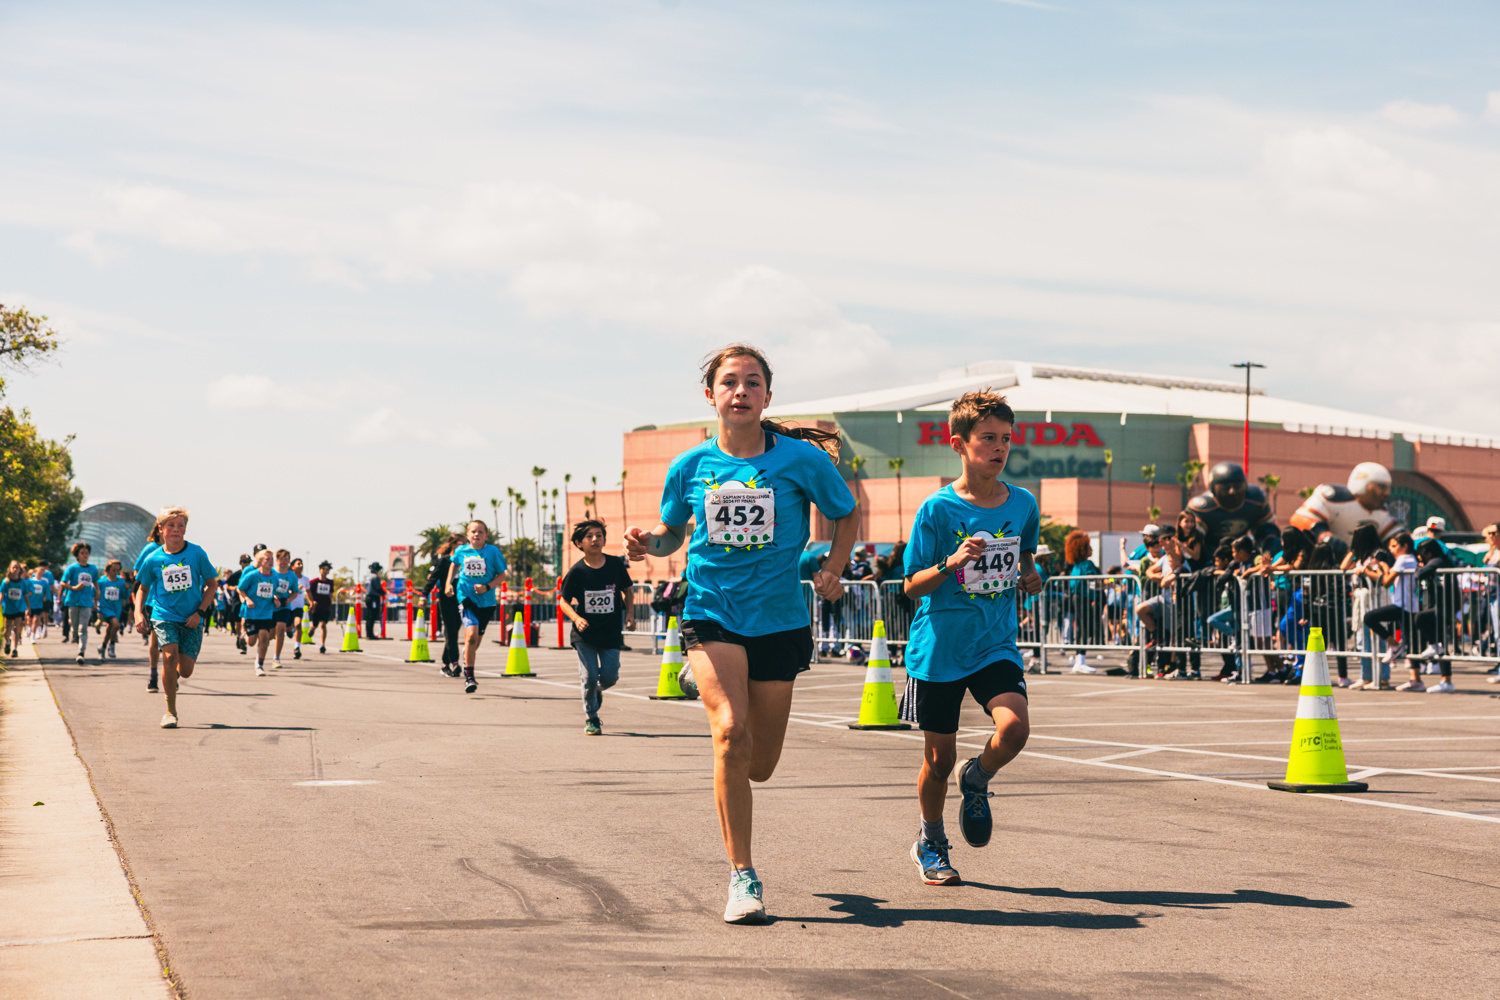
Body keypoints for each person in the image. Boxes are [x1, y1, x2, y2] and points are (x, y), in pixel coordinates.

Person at [624, 343, 858, 925]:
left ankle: (713, 687)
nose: (741, 392)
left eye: (753, 383)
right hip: (712, 611)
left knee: (760, 762)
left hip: (779, 620)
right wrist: (646, 545)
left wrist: (834, 565)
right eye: (730, 382)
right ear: (711, 396)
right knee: (730, 733)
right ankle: (743, 877)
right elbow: (671, 534)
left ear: (767, 398)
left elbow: (846, 513)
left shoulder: (802, 461)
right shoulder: (691, 466)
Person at [899, 389, 1042, 887]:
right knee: (937, 761)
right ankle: (930, 840)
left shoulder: (1023, 503)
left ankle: (977, 776)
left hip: (994, 642)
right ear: (958, 443)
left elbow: (1025, 555)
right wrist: (951, 563)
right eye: (988, 439)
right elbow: (910, 585)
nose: (1000, 448)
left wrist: (1031, 574)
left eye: (1006, 439)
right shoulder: (937, 510)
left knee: (1016, 729)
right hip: (939, 647)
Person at [133, 507, 218, 728]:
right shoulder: (153, 558)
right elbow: (142, 588)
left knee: (186, 670)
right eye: (171, 525)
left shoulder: (196, 553)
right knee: (169, 657)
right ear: (161, 529)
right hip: (164, 614)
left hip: (191, 617)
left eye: (181, 526)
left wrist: (199, 612)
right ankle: (170, 711)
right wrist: (138, 613)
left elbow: (212, 585)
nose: (176, 530)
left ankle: (173, 678)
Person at [558, 519, 634, 735]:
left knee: (609, 678)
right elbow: (563, 601)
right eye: (589, 536)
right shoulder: (577, 571)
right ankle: (592, 717)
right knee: (589, 677)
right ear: (579, 543)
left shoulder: (615, 565)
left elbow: (627, 590)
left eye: (599, 535)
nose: (595, 539)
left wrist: (630, 614)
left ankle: (596, 691)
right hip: (585, 634)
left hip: (610, 632)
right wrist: (575, 618)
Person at [445, 522, 506, 694]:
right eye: (473, 532)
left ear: (486, 535)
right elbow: (454, 564)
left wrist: (487, 587)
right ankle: (470, 677)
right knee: (471, 635)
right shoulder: (461, 551)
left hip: (486, 602)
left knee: (475, 641)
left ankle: (467, 653)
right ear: (468, 535)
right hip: (466, 597)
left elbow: (502, 575)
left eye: (480, 532)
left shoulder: (493, 552)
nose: (476, 534)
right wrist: (449, 584)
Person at [1289, 462, 1401, 547]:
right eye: (1382, 487)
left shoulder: (1381, 512)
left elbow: (1395, 537)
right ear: (1363, 483)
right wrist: (1323, 536)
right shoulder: (1334, 497)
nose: (1387, 493)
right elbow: (1299, 518)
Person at [1186, 462, 1280, 556]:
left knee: (1273, 542)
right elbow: (1190, 540)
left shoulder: (1256, 500)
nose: (1232, 491)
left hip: (1243, 551)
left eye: (1237, 486)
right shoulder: (1202, 508)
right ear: (1213, 488)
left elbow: (1269, 530)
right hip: (1211, 553)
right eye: (1225, 487)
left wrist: (1269, 549)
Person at [1362, 532, 1420, 681]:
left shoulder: (1403, 559)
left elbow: (1386, 582)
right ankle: (1416, 679)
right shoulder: (1410, 559)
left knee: (1369, 617)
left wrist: (1380, 567)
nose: (1392, 550)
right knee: (1411, 644)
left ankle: (1394, 645)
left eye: (1394, 546)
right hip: (1407, 605)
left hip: (1402, 605)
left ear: (1404, 546)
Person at [236, 550, 280, 676]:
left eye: (272, 559)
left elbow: (274, 592)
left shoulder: (275, 576)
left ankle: (259, 664)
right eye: (267, 559)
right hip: (252, 612)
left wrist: (275, 599)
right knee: (252, 641)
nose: (270, 562)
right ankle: (244, 637)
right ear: (260, 562)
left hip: (266, 612)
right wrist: (247, 599)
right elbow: (240, 589)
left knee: (265, 636)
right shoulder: (252, 575)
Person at [1062, 530, 1100, 673]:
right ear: (1083, 549)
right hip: (1082, 598)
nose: (1091, 549)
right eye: (1089, 547)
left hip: (1077, 597)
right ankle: (1080, 660)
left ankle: (1079, 659)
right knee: (1084, 629)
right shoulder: (1087, 564)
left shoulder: (1076, 566)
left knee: (1082, 628)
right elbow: (1092, 581)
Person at [133, 525, 164, 690]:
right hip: (154, 600)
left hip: (175, 602)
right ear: (160, 530)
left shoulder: (181, 549)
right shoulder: (151, 549)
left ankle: (172, 673)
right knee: (155, 638)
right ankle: (153, 675)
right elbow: (137, 571)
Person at [426, 536, 462, 674]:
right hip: (446, 599)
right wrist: (424, 595)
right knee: (451, 631)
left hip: (461, 599)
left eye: (466, 543)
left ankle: (444, 664)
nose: (464, 545)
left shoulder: (467, 561)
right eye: (461, 543)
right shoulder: (445, 561)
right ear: (453, 544)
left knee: (453, 632)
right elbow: (433, 578)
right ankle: (454, 662)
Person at [60, 543, 100, 664]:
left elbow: (95, 582)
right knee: (75, 626)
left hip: (87, 601)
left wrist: (97, 591)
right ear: (77, 555)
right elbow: (63, 583)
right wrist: (73, 587)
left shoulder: (92, 569)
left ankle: (81, 652)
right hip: (73, 600)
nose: (85, 555)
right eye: (82, 553)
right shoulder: (72, 568)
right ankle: (76, 637)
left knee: (83, 628)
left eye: (86, 553)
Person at [270, 549, 300, 667]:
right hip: (271, 606)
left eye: (286, 559)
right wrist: (274, 597)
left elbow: (295, 592)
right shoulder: (271, 572)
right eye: (281, 559)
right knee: (271, 634)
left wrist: (289, 599)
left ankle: (276, 657)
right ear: (277, 560)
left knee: (281, 628)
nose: (284, 561)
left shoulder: (292, 575)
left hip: (285, 606)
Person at [96, 560, 127, 660]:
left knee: (110, 629)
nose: (116, 572)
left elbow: (123, 595)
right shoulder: (102, 582)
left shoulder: (121, 582)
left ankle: (103, 647)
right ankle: (112, 645)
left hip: (116, 608)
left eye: (118, 570)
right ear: (108, 570)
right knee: (116, 624)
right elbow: (95, 592)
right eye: (114, 570)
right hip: (105, 608)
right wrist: (94, 603)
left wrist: (126, 590)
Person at [307, 560, 338, 654]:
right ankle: (312, 628)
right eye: (323, 569)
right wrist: (311, 602)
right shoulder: (313, 582)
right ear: (320, 570)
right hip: (316, 607)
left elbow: (331, 594)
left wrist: (330, 601)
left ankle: (323, 644)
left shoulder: (330, 582)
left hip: (326, 607)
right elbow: (308, 593)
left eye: (327, 569)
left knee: (323, 625)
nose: (325, 571)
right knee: (315, 624)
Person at [224, 553, 250, 654]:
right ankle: (239, 636)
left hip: (248, 600)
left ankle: (244, 641)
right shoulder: (237, 574)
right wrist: (233, 588)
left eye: (248, 562)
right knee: (237, 622)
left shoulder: (252, 573)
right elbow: (228, 585)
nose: (246, 564)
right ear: (240, 563)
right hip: (237, 600)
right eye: (244, 562)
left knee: (245, 621)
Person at [3, 561, 28, 656]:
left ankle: (15, 648)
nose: (15, 569)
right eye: (13, 567)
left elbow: (26, 595)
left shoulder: (23, 582)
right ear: (9, 569)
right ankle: (8, 642)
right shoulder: (6, 582)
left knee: (17, 628)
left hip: (19, 608)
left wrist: (28, 608)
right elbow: (2, 594)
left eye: (17, 567)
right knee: (7, 629)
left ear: (19, 570)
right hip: (9, 608)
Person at [287, 557, 310, 659]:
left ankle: (297, 647)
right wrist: (292, 591)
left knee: (298, 624)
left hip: (298, 606)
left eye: (301, 564)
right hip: (288, 605)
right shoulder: (289, 578)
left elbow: (308, 591)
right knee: (287, 628)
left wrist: (311, 601)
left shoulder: (305, 579)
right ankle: (288, 630)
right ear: (292, 567)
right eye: (298, 564)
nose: (301, 566)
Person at [364, 562, 384, 640]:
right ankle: (370, 634)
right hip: (374, 599)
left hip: (368, 597)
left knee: (369, 616)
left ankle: (368, 633)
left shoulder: (368, 577)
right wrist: (383, 593)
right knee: (372, 616)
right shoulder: (375, 577)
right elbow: (378, 588)